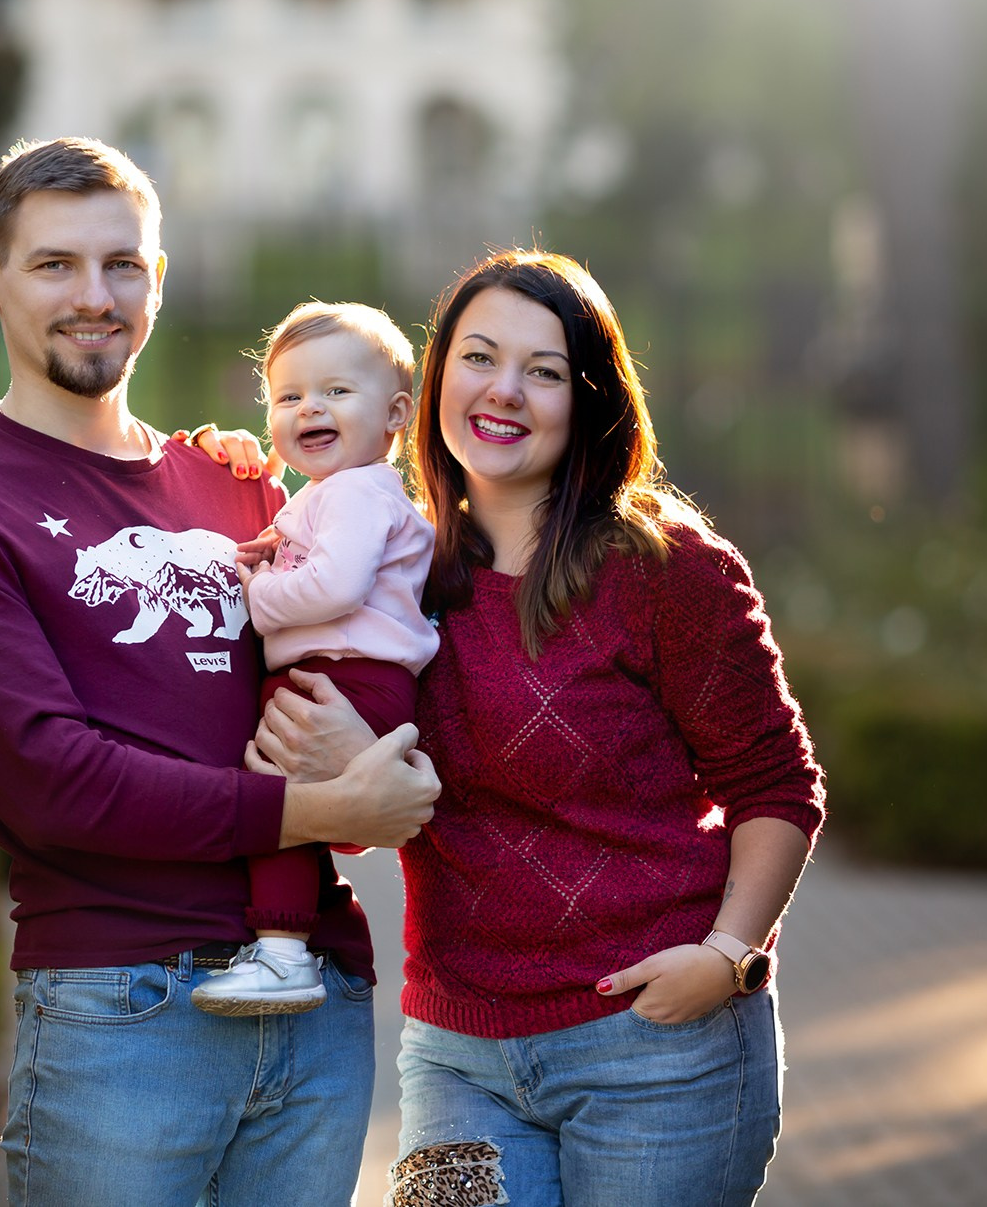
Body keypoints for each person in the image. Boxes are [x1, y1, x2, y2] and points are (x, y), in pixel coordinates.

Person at [0, 136, 439, 1207]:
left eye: (122, 264)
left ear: (157, 281)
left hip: (315, 997)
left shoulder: (252, 485)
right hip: (119, 1011)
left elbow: (356, 712)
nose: (95, 296)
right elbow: (52, 781)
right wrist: (319, 802)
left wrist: (365, 780)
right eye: (54, 265)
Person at [226, 250, 826, 1206]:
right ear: (432, 384)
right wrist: (234, 469)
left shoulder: (668, 567)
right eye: (478, 357)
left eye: (543, 371)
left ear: (588, 399)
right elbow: (352, 824)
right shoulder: (394, 556)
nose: (503, 391)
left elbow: (777, 784)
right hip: (457, 1056)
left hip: (654, 1043)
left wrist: (728, 955)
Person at [189, 302, 439, 1017]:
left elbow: (335, 586)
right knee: (285, 808)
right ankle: (282, 950)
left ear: (395, 413)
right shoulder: (332, 494)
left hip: (351, 680)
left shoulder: (359, 492)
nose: (309, 408)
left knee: (277, 804)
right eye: (289, 396)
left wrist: (257, 595)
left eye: (335, 391)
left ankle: (283, 953)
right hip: (343, 679)